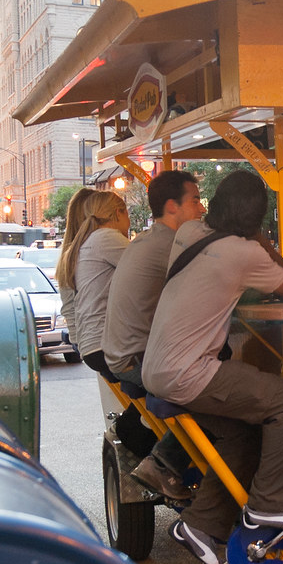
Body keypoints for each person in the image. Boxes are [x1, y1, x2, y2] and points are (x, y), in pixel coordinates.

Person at [142, 170, 283, 564]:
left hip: (155, 368)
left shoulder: (189, 234)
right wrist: (262, 239)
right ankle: (268, 506)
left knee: (244, 431)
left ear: (216, 204)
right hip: (189, 373)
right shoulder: (245, 252)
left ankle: (198, 525)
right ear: (257, 216)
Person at [103, 170, 206, 500]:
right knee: (222, 395)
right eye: (195, 201)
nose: (202, 209)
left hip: (125, 354)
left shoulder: (150, 239)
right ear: (172, 207)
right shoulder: (172, 245)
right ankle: (163, 464)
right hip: (137, 359)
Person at [54, 189, 131, 380]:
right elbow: (144, 269)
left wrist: (79, 344)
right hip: (105, 344)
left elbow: (70, 308)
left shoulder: (73, 252)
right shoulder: (103, 240)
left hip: (90, 345)